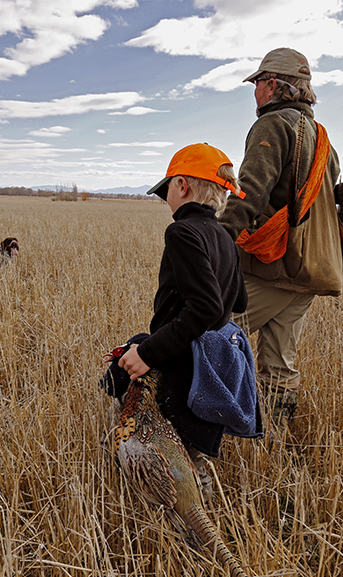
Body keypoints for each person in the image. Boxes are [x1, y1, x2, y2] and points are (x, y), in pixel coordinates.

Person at [102, 143, 260, 495]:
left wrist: (147, 353)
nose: (167, 196)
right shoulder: (226, 239)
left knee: (170, 451)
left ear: (183, 186)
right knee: (187, 451)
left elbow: (203, 308)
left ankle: (184, 510)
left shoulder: (181, 232)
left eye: (168, 188)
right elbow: (237, 301)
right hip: (216, 356)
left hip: (185, 359)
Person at [218, 47, 343, 421]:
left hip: (273, 266)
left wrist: (216, 242)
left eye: (256, 83)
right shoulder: (323, 138)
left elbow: (250, 193)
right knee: (279, 366)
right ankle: (278, 440)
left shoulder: (273, 125)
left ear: (271, 84)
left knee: (214, 335)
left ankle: (217, 427)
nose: (255, 91)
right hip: (314, 270)